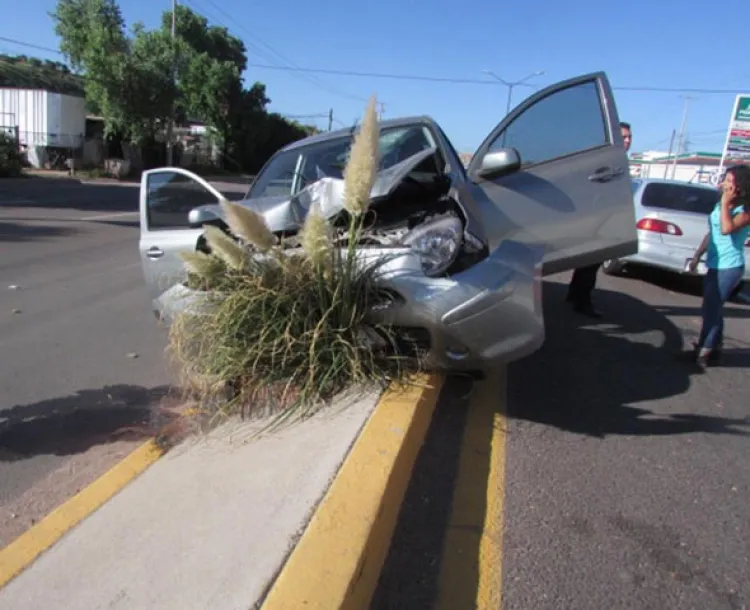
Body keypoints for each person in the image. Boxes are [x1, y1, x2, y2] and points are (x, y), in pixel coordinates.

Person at [684, 164, 750, 366]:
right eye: (725, 180)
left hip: (729, 266)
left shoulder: (745, 210)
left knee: (711, 309)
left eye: (731, 181)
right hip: (714, 262)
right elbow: (711, 232)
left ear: (741, 185)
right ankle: (714, 348)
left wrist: (725, 203)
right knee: (713, 307)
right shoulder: (720, 204)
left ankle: (703, 353)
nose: (725, 184)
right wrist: (697, 256)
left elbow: (726, 229)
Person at [566, 121, 632, 318]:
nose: (628, 141)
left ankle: (574, 294)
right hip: (598, 221)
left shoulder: (618, 160)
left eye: (630, 137)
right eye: (623, 137)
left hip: (606, 220)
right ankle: (582, 302)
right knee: (591, 263)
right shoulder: (608, 162)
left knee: (588, 263)